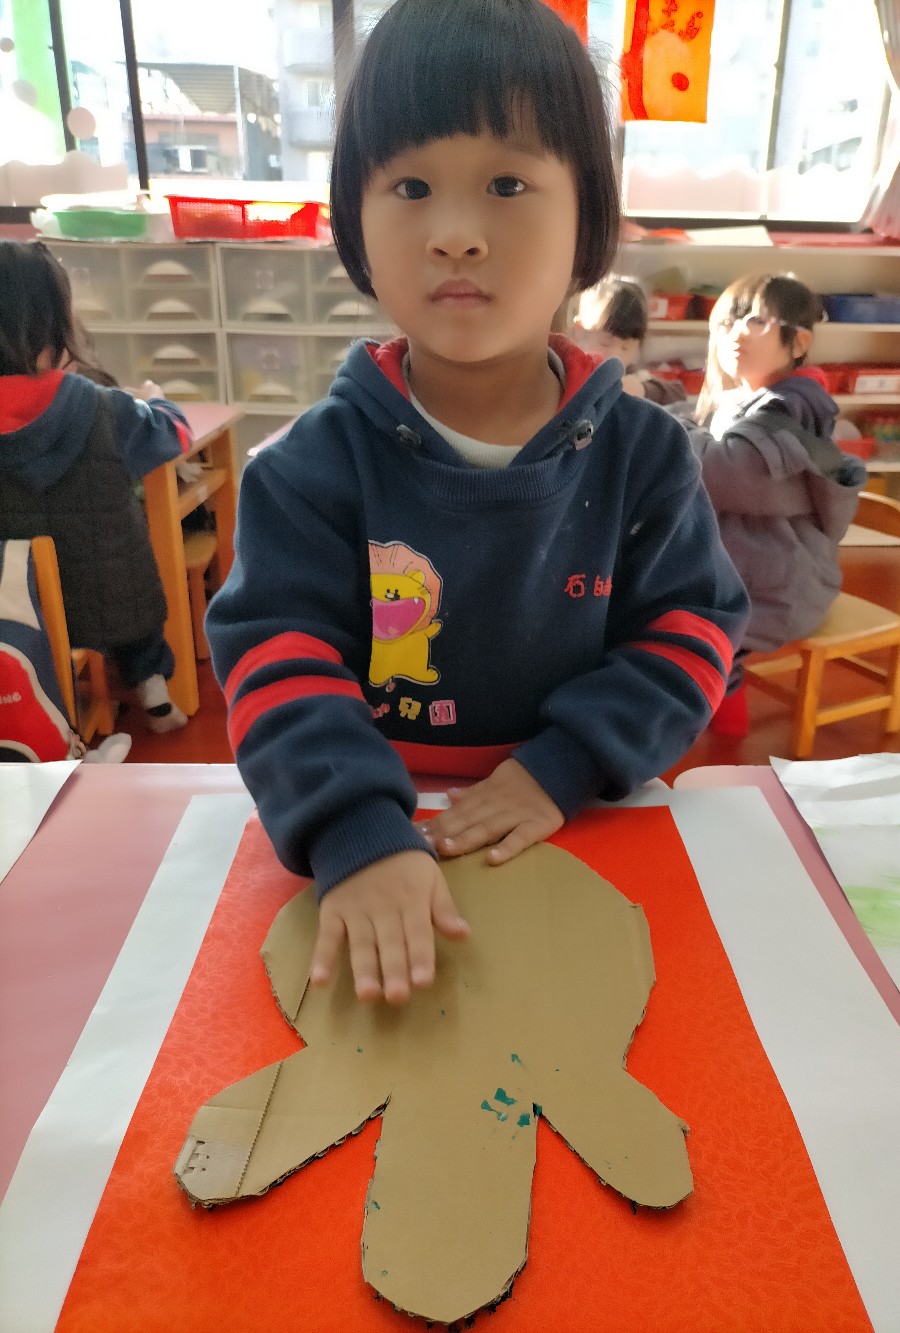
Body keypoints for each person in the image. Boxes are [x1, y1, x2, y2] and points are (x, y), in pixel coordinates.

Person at [205, 0, 749, 1006]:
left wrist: (565, 765)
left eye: (507, 183)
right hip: (369, 835)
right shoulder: (303, 469)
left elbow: (692, 631)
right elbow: (276, 659)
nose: (455, 235)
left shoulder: (646, 457)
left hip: (583, 816)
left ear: (587, 217)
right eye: (410, 187)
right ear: (354, 223)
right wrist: (352, 829)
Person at [0, 239, 192, 733]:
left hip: (18, 614)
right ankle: (152, 685)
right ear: (54, 322)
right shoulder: (98, 404)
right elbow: (175, 435)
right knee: (129, 584)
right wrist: (157, 400)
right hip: (112, 605)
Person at [668, 273, 867, 736]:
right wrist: (657, 399)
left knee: (695, 635)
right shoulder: (747, 398)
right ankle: (714, 719)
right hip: (751, 566)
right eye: (727, 322)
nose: (736, 333)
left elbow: (725, 470)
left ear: (799, 341)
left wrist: (656, 424)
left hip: (782, 582)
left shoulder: (792, 406)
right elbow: (693, 417)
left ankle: (722, 732)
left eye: (756, 321)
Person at [575, 278, 686, 405]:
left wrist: (643, 390)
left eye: (625, 347)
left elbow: (678, 394)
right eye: (605, 343)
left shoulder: (631, 376)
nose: (615, 355)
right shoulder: (572, 369)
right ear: (580, 330)